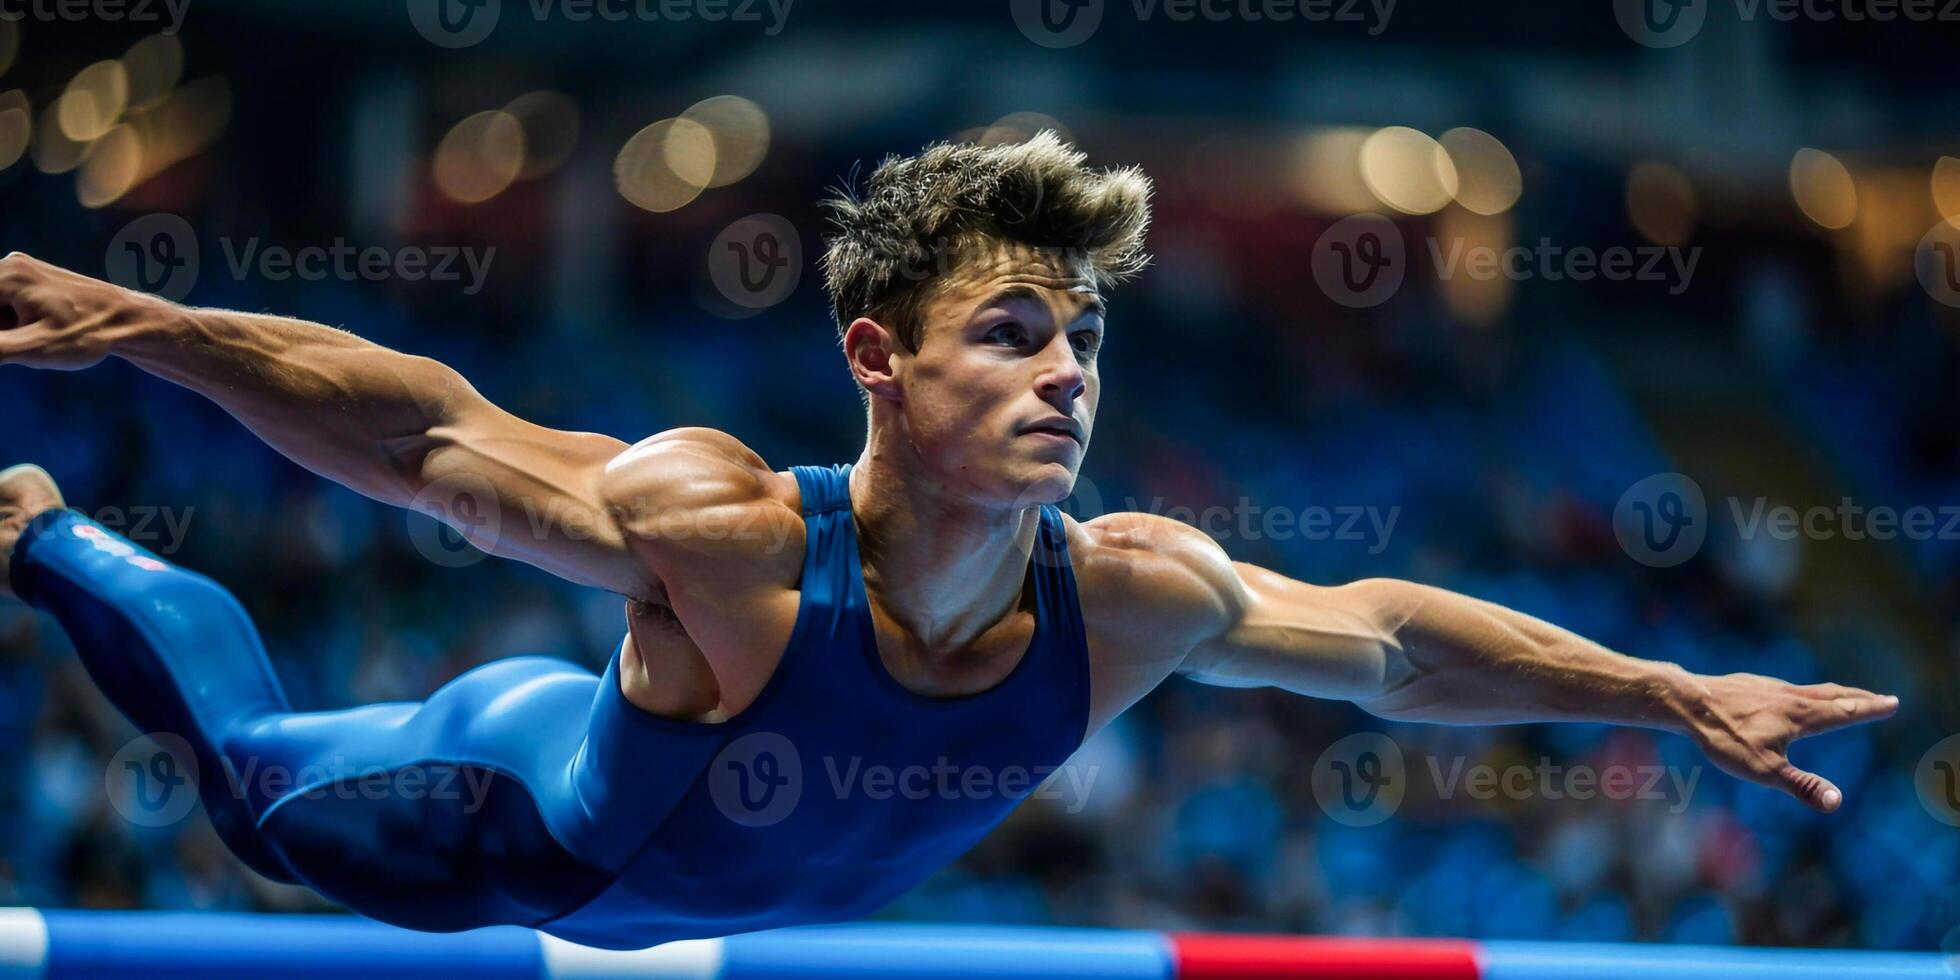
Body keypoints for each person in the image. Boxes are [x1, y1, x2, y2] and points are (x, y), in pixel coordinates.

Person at [0, 134, 1897, 949]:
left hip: (754, 892)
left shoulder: (1136, 593)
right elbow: (429, 437)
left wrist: (1668, 688)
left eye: (1086, 336)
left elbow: (1393, 643)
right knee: (251, 806)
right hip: (533, 830)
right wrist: (151, 329)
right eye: (1012, 330)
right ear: (876, 361)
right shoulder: (732, 536)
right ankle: (44, 525)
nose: (1068, 372)